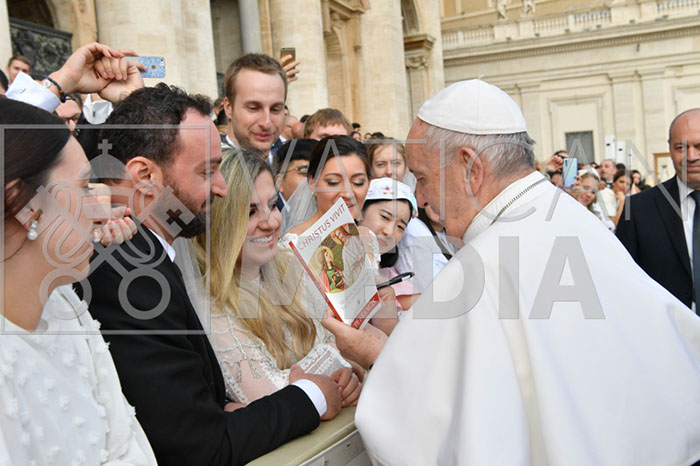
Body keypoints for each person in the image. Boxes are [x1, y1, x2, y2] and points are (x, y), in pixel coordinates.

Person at [329, 80, 700, 465]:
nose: (420, 198)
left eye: (422, 178)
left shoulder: (485, 263)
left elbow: (444, 430)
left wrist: (375, 354)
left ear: (471, 167)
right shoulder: (570, 216)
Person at [85, 84, 343, 465]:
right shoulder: (129, 274)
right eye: (207, 172)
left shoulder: (148, 255)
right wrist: (313, 395)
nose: (222, 188)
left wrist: (222, 408)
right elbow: (197, 447)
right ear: (143, 175)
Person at [0, 95, 155, 463]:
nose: (103, 211)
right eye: (84, 188)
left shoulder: (64, 302)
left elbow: (125, 443)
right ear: (24, 205)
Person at [191, 150, 360, 408]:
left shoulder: (290, 260)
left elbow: (342, 346)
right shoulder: (208, 303)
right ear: (218, 220)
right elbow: (269, 398)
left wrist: (348, 376)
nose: (270, 223)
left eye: (272, 205)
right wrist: (335, 358)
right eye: (250, 212)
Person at [617, 108, 700, 310]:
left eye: (699, 146)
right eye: (681, 147)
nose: (691, 156)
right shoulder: (638, 210)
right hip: (666, 327)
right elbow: (622, 282)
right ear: (670, 150)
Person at [359, 178, 418, 312]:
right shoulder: (326, 256)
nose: (389, 232)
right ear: (360, 210)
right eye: (385, 217)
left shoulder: (393, 284)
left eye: (400, 227)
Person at [221, 53, 287, 162]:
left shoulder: (294, 164)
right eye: (253, 108)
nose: (266, 123)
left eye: (275, 109)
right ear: (229, 108)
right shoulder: (207, 167)